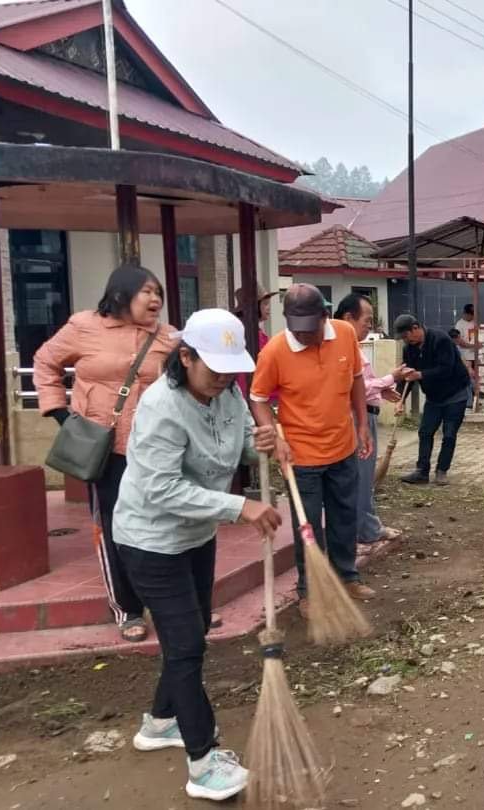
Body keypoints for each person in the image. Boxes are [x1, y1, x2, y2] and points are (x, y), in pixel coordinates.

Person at [113, 308, 280, 802]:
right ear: (184, 357)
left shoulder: (225, 392)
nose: (224, 379)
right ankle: (203, 761)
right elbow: (162, 489)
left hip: (195, 535)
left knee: (195, 628)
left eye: (231, 370)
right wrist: (240, 506)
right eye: (213, 369)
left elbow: (239, 443)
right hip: (150, 540)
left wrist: (263, 440)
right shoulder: (161, 407)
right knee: (186, 645)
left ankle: (160, 722)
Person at [33, 264, 175, 643]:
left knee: (161, 527)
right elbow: (45, 362)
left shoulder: (166, 337)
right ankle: (126, 609)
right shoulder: (84, 327)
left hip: (153, 450)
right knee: (113, 529)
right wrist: (61, 413)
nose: (155, 299)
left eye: (158, 293)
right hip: (105, 451)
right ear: (120, 293)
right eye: (147, 291)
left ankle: (164, 603)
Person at [249, 284, 374, 616]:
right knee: (308, 528)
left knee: (344, 518)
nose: (304, 337)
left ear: (325, 316)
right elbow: (258, 399)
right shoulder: (274, 351)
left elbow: (357, 378)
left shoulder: (346, 333)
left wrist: (362, 423)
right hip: (301, 456)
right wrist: (275, 439)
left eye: (310, 330)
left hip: (343, 446)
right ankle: (308, 590)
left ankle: (347, 576)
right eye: (297, 331)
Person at [335, 293, 408, 544]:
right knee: (362, 476)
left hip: (365, 415)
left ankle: (366, 525)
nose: (370, 325)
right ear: (348, 318)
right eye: (366, 320)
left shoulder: (351, 347)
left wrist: (381, 389)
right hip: (359, 419)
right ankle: (366, 529)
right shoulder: (343, 348)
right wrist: (391, 378)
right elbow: (355, 387)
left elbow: (364, 385)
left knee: (361, 475)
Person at [393, 313, 472, 486]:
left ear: (415, 328)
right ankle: (422, 471)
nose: (406, 340)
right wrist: (400, 400)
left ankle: (441, 471)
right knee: (425, 432)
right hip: (434, 397)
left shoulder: (440, 340)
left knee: (449, 434)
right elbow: (408, 377)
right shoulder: (409, 349)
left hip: (455, 394)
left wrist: (420, 374)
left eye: (406, 336)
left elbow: (446, 369)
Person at [453, 303, 484, 399]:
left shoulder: (474, 322)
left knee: (476, 375)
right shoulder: (459, 325)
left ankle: (476, 394)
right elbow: (460, 342)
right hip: (465, 355)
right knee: (468, 376)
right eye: (471, 315)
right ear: (465, 314)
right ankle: (469, 398)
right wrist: (474, 345)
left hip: (475, 354)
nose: (472, 317)